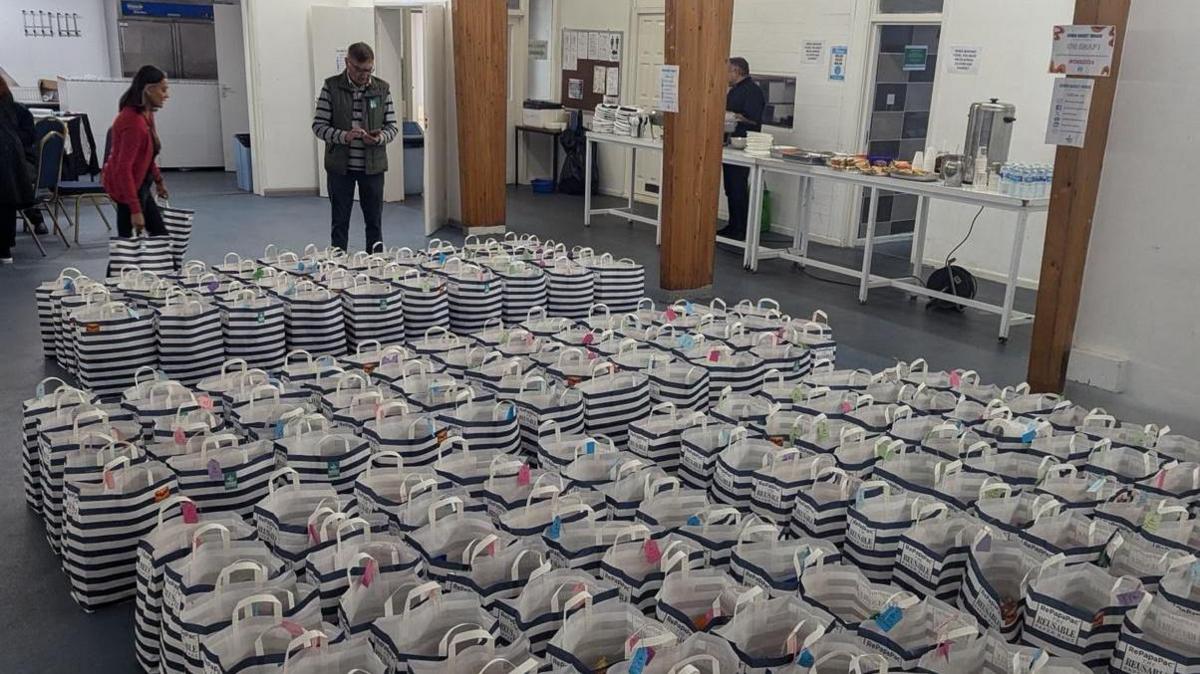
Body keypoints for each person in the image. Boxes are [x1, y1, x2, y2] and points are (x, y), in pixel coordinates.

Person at [312, 42, 399, 254]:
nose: (363, 74)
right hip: (340, 169)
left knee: (374, 222)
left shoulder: (382, 89)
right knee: (340, 222)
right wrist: (344, 136)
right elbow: (319, 126)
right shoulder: (331, 87)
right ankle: (338, 266)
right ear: (347, 63)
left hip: (373, 168)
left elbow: (392, 126)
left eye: (368, 69)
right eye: (359, 69)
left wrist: (377, 140)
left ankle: (376, 265)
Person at [102, 65, 170, 241]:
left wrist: (158, 181)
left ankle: (165, 267)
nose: (166, 95)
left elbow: (148, 155)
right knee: (128, 246)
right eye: (163, 90)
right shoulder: (133, 122)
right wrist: (135, 210)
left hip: (139, 184)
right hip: (127, 188)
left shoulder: (147, 115)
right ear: (148, 90)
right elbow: (123, 169)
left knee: (151, 239)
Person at [718, 57, 766, 242]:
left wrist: (735, 116)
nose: (726, 75)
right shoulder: (734, 91)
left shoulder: (753, 92)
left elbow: (754, 118)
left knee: (738, 186)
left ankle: (743, 228)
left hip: (744, 144)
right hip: (729, 144)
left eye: (727, 71)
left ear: (736, 71)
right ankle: (733, 224)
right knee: (730, 186)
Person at [0, 77, 47, 263]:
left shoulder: (16, 111)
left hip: (20, 165)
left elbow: (26, 140)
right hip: (17, 167)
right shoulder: (16, 109)